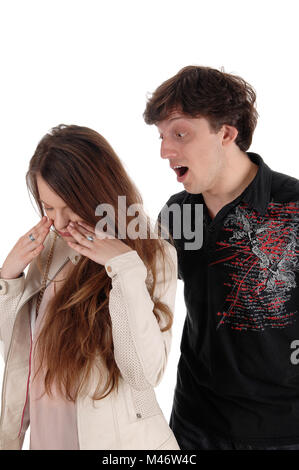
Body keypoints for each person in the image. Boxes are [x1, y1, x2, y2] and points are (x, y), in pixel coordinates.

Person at [143, 65, 299, 450]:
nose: (165, 151)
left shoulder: (294, 206)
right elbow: (142, 295)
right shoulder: (176, 213)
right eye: (162, 137)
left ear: (226, 133)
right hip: (193, 424)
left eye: (180, 133)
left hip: (281, 431)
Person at [0, 124, 180, 450]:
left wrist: (124, 269)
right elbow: (21, 353)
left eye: (69, 206)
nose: (59, 222)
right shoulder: (50, 249)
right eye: (48, 207)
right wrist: (9, 277)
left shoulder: (154, 255)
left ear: (98, 194)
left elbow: (144, 373)